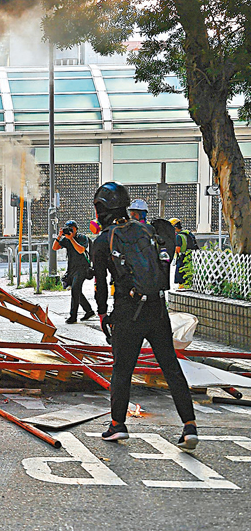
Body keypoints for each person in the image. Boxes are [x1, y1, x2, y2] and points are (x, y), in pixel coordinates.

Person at [91, 182, 197, 449]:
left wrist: (103, 314)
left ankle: (117, 425)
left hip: (128, 311)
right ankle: (189, 426)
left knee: (122, 370)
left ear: (102, 209)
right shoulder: (147, 230)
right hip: (158, 308)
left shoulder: (104, 240)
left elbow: (101, 284)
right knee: (171, 368)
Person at [52, 219, 95, 324]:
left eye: (72, 228)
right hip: (71, 269)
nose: (70, 230)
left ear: (76, 229)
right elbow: (54, 247)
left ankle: (73, 316)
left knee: (75, 290)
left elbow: (81, 250)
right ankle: (89, 311)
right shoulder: (66, 239)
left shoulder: (81, 238)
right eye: (68, 228)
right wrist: (59, 236)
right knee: (77, 291)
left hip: (83, 268)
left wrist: (71, 239)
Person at [171, 218, 199, 288]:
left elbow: (178, 249)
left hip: (182, 258)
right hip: (192, 256)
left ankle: (182, 286)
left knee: (181, 274)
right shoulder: (188, 233)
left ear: (175, 227)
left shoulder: (178, 236)